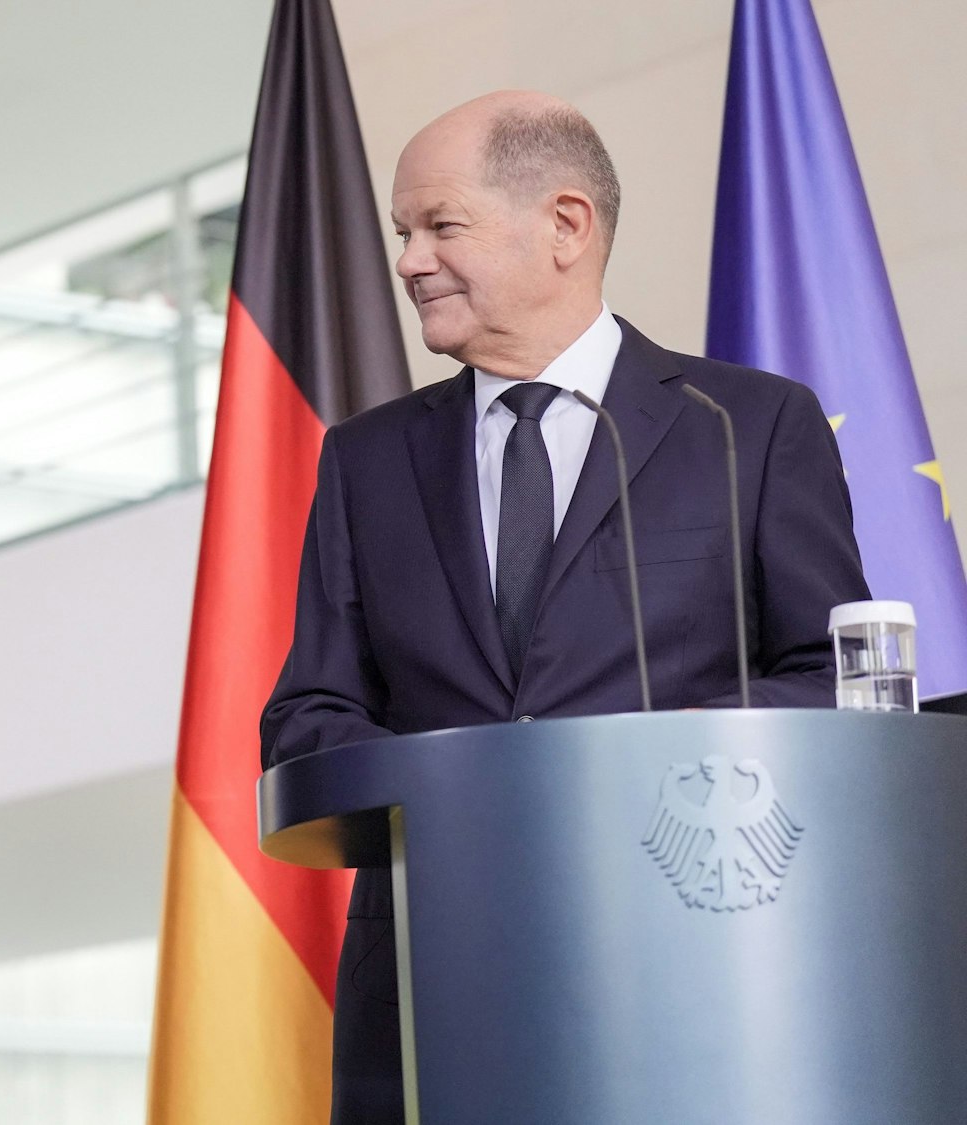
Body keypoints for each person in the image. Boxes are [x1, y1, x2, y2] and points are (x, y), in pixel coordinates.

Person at [259, 92, 868, 1123]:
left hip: (694, 972)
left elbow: (836, 682)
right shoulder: (363, 461)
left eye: (437, 226)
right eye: (401, 234)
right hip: (431, 985)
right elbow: (305, 716)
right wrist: (463, 789)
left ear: (564, 225)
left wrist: (664, 755)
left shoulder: (745, 425)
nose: (407, 261)